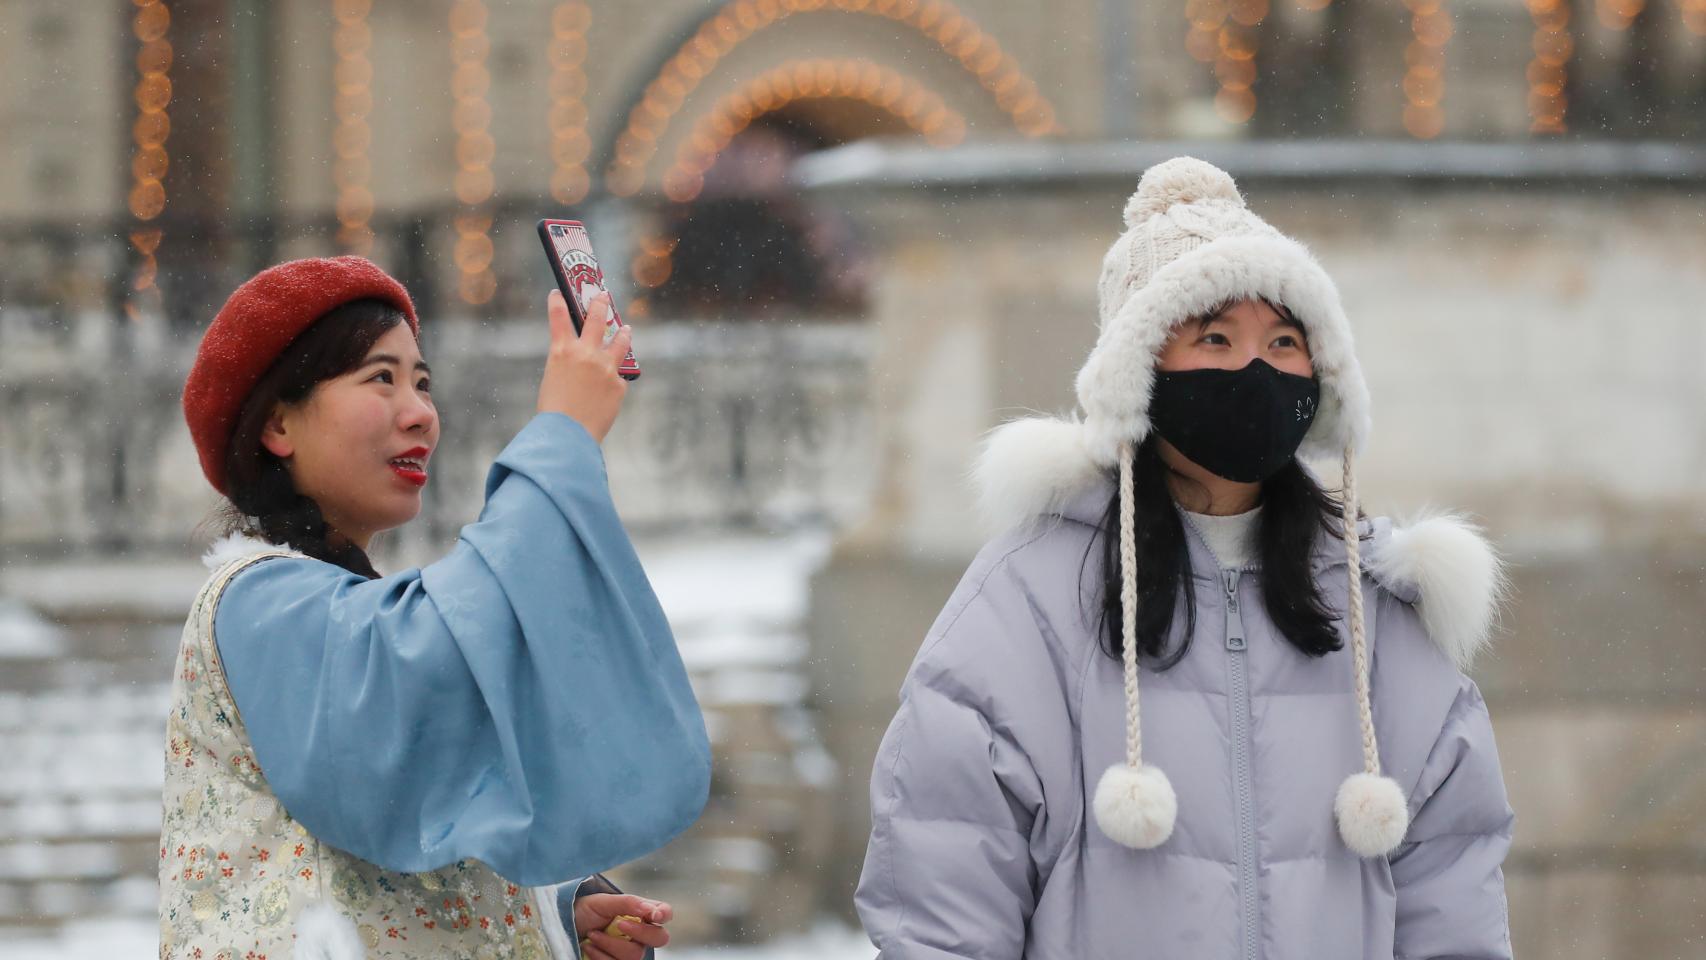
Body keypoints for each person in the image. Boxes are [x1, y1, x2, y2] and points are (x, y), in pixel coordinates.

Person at [856, 158, 1515, 959]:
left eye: (1283, 340)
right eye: (1214, 338)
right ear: (1139, 374)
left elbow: (1455, 893)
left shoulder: (1380, 609)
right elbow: (942, 901)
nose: (1257, 369)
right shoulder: (1024, 602)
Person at [164, 256, 711, 960]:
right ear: (278, 424)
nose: (421, 412)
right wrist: (558, 443)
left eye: (423, 383)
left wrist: (553, 917)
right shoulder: (257, 601)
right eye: (380, 378)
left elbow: (433, 798)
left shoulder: (346, 610)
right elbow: (416, 707)